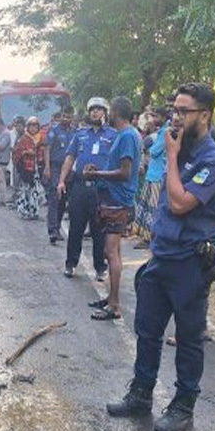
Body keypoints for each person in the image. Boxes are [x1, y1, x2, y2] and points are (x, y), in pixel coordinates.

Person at [106, 83, 215, 431]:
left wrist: (173, 157)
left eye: (184, 112)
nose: (175, 117)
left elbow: (178, 203)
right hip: (162, 257)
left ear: (204, 116)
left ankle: (183, 405)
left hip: (191, 264)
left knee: (189, 339)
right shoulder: (180, 147)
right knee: (147, 329)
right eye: (174, 110)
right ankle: (141, 394)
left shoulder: (213, 161)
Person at [83, 97, 142, 320]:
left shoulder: (127, 136)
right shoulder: (127, 135)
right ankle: (110, 298)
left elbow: (125, 172)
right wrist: (99, 170)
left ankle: (115, 304)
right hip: (114, 198)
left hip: (118, 201)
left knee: (111, 252)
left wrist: (97, 174)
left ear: (114, 112)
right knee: (114, 252)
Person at [58, 97, 116, 280]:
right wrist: (61, 180)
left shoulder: (113, 135)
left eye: (99, 110)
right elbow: (70, 158)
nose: (95, 113)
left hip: (101, 189)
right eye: (92, 110)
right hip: (80, 187)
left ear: (105, 113)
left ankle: (100, 267)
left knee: (99, 230)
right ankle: (71, 264)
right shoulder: (80, 134)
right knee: (76, 227)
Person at [134, 108, 170, 249]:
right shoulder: (160, 132)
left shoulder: (165, 132)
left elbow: (155, 152)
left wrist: (150, 148)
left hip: (158, 175)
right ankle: (146, 236)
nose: (154, 119)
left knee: (153, 208)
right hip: (153, 174)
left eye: (156, 117)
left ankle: (150, 238)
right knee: (147, 206)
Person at [44, 106, 76, 243]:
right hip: (55, 167)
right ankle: (52, 230)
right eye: (64, 116)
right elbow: (47, 148)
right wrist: (47, 167)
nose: (66, 119)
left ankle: (56, 226)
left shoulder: (75, 132)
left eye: (68, 117)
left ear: (72, 117)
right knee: (54, 197)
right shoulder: (54, 130)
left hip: (69, 169)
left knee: (63, 200)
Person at [14, 116, 45, 219]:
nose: (33, 128)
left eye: (35, 126)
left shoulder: (40, 139)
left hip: (36, 169)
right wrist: (25, 152)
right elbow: (16, 152)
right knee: (25, 191)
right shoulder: (23, 139)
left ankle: (34, 212)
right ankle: (25, 212)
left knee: (36, 191)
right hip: (26, 169)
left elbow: (43, 153)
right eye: (31, 126)